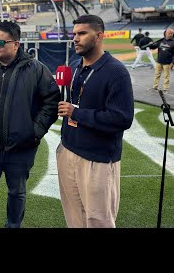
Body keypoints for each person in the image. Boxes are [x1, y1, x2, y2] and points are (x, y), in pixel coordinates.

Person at [0, 21, 61, 228]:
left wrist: (34, 132)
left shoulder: (36, 69)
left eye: (1, 42)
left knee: (17, 194)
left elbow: (51, 101)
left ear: (16, 44)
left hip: (20, 149)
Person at [57, 14, 134, 228]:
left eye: (82, 33)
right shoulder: (75, 66)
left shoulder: (116, 72)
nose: (76, 39)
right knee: (74, 216)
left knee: (98, 220)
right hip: (69, 150)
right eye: (74, 34)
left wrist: (76, 113)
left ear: (99, 35)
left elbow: (122, 118)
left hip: (97, 158)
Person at [146, 28, 174, 94]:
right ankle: (155, 87)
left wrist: (172, 63)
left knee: (166, 76)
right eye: (169, 33)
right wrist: (151, 44)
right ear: (165, 33)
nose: (171, 35)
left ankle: (165, 89)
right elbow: (153, 47)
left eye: (172, 33)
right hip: (159, 61)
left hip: (167, 63)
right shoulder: (161, 41)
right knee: (157, 75)